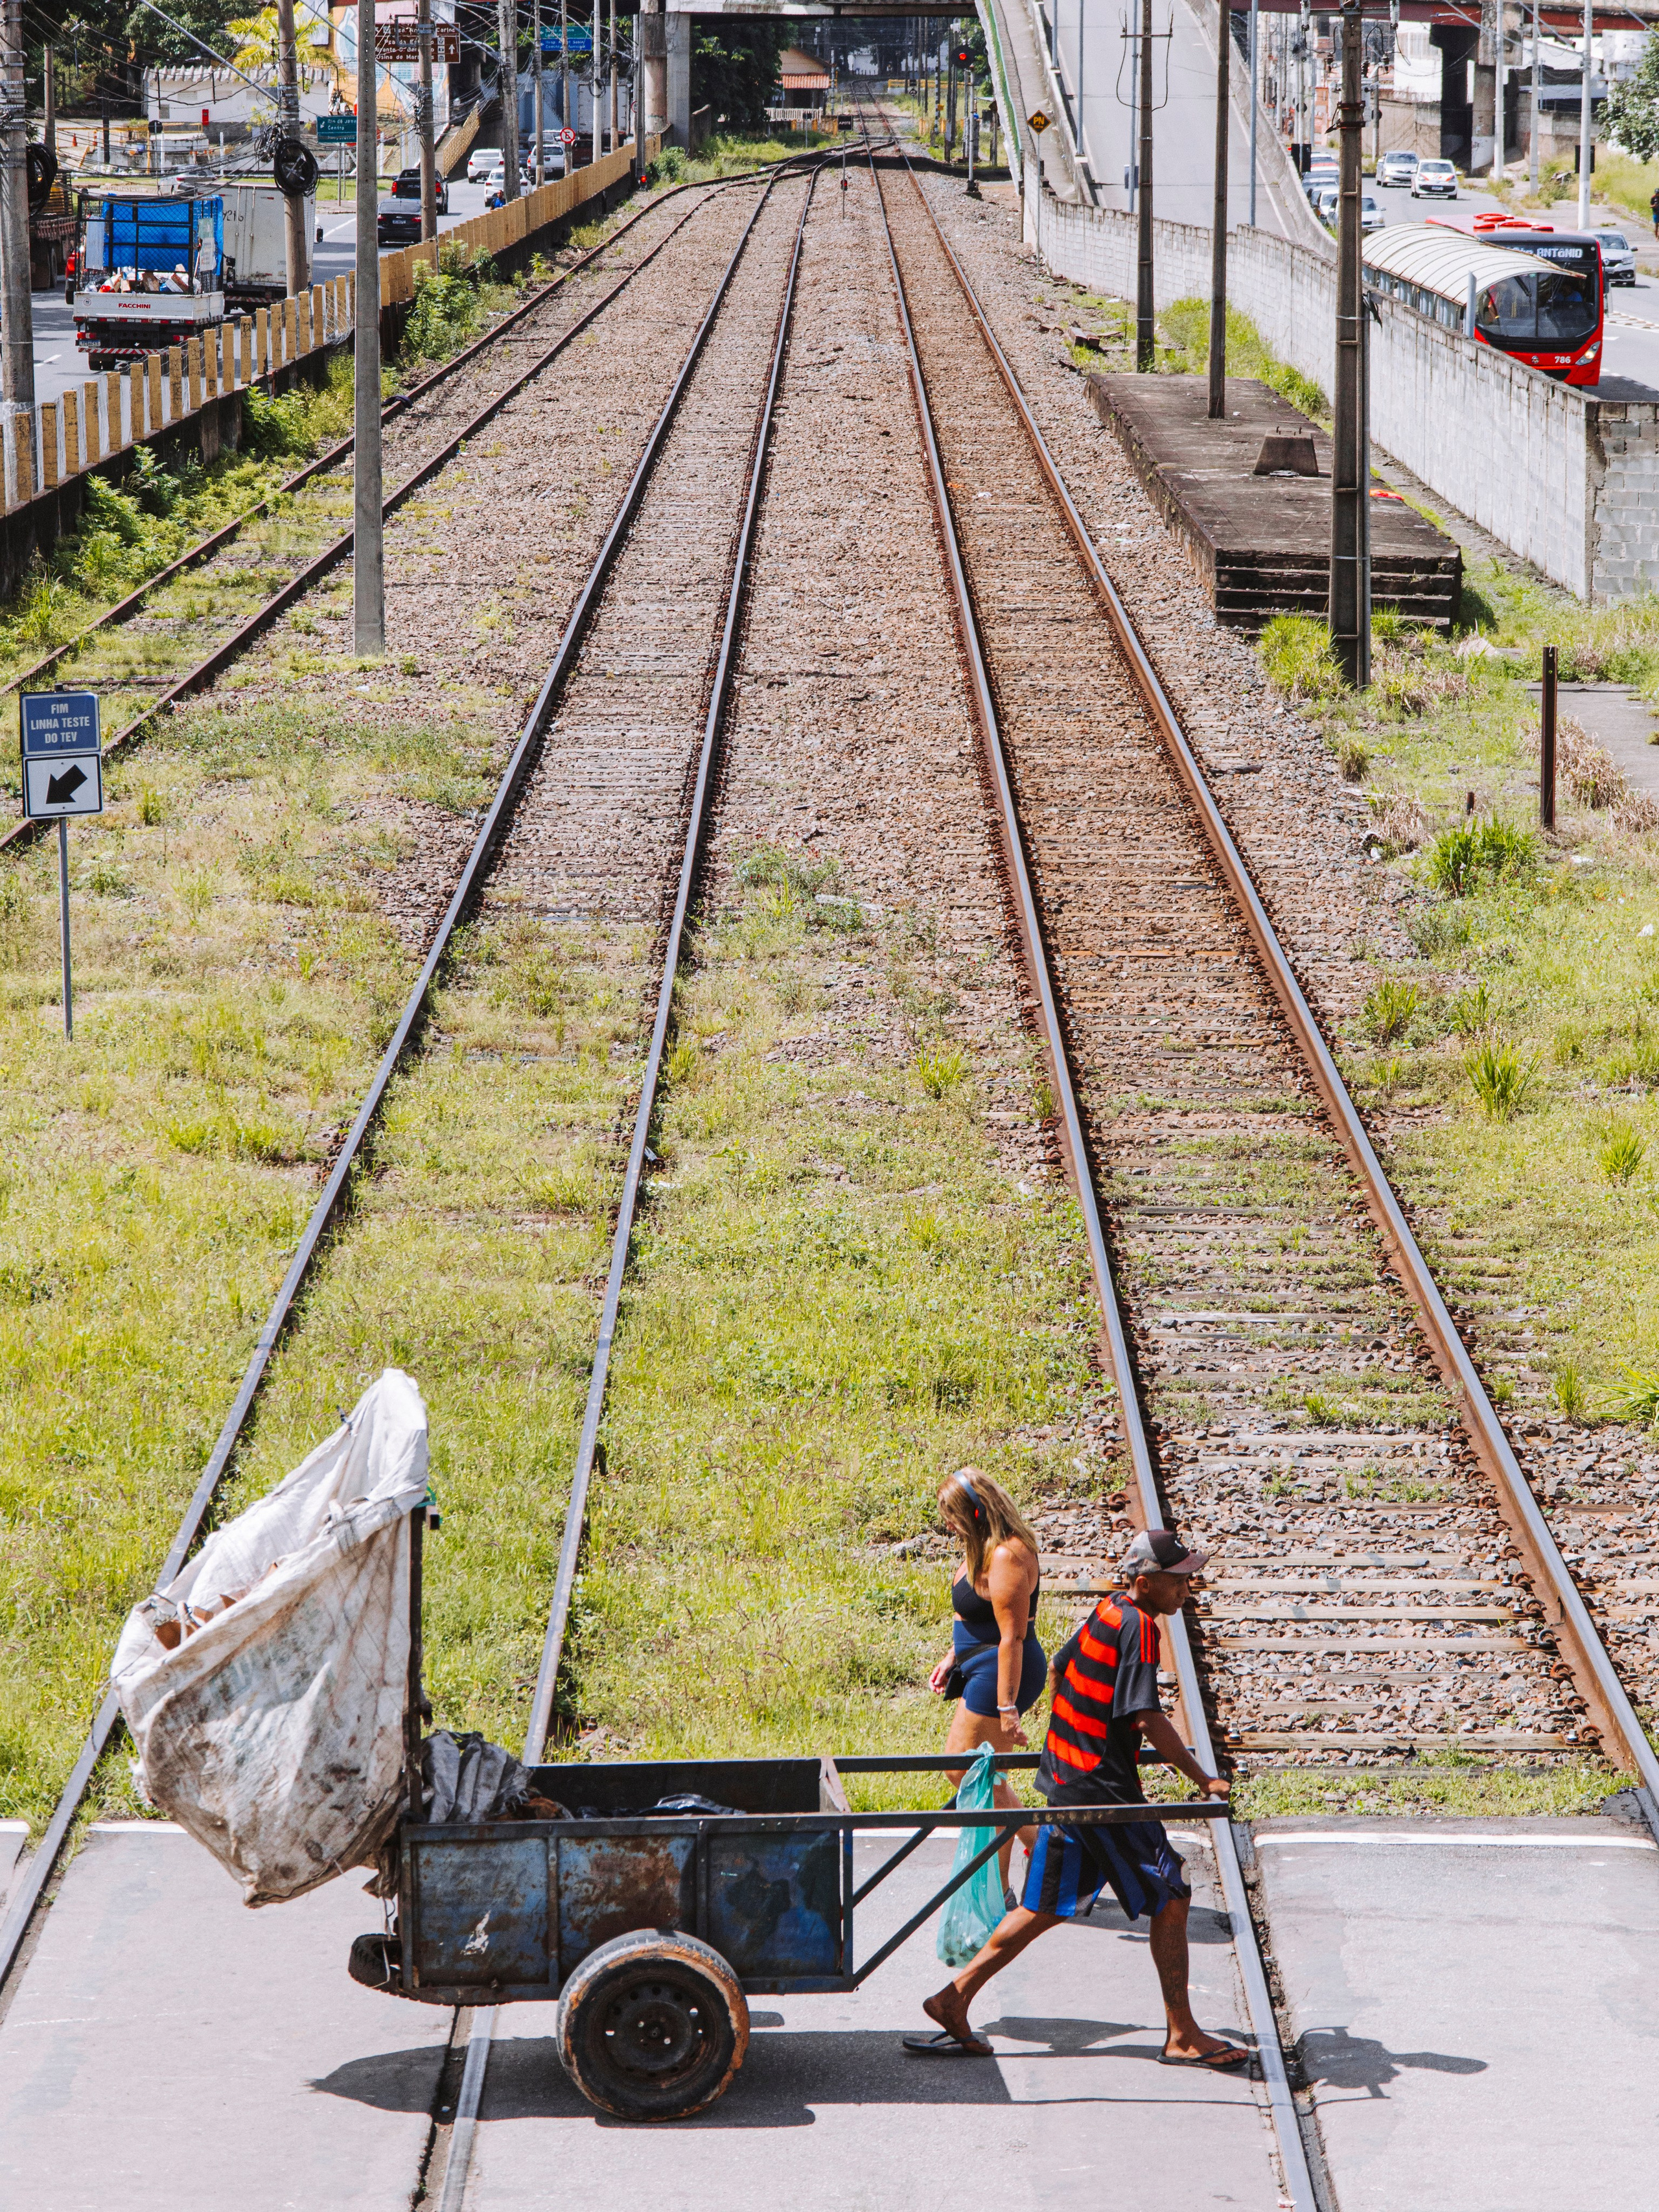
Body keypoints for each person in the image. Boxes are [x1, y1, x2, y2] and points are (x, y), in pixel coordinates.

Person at [907, 1528, 1247, 2072]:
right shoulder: (1138, 1626)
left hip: (1066, 1778)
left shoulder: (1106, 1610)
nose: (1188, 1587)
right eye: (1180, 1579)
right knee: (1173, 1893)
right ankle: (1181, 2034)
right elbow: (1146, 1715)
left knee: (1043, 1905)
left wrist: (1077, 1733)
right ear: (1145, 1582)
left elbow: (1065, 1665)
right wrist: (1202, 1776)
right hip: (1100, 1790)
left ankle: (953, 1999)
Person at [927, 1468, 1043, 1903]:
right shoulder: (982, 1547)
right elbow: (977, 1612)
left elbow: (1011, 1636)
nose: (949, 1525)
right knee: (977, 1775)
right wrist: (954, 1653)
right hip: (980, 1666)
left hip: (1002, 1672)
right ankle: (1047, 1843)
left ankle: (1003, 1887)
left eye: (953, 1516)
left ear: (977, 1511)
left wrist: (1007, 1706)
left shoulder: (1009, 1555)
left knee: (972, 1773)